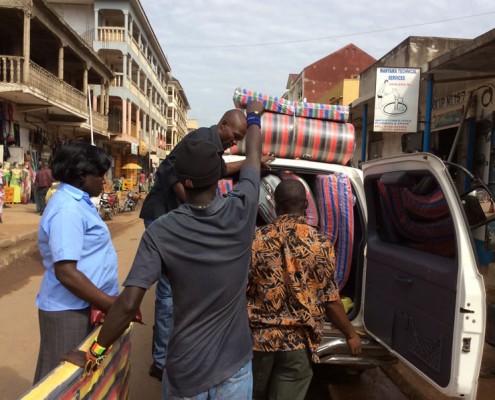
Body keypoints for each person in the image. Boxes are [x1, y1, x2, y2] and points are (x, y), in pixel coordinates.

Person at [63, 100, 265, 399]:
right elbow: (253, 157)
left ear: (183, 181)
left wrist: (95, 350)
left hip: (186, 372)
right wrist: (254, 117)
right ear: (219, 177)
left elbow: (129, 304)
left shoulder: (161, 232)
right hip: (234, 369)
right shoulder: (243, 209)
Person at [139, 107, 274, 381]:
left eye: (239, 140)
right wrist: (195, 209)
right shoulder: (200, 139)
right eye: (234, 136)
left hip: (181, 216)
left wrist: (253, 163)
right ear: (222, 124)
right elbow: (170, 172)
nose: (233, 142)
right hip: (163, 214)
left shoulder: (213, 149)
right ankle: (161, 361)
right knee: (167, 293)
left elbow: (219, 169)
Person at [247, 179, 362, 400]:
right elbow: (331, 302)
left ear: (275, 206)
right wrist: (350, 334)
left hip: (258, 341)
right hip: (297, 345)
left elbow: (239, 288)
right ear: (306, 207)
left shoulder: (255, 239)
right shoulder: (321, 245)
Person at [33, 142, 119, 384]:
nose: (104, 180)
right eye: (100, 174)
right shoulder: (67, 210)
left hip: (84, 304)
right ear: (82, 176)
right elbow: (66, 272)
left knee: (78, 378)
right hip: (68, 309)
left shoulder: (80, 202)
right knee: (58, 381)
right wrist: (111, 304)